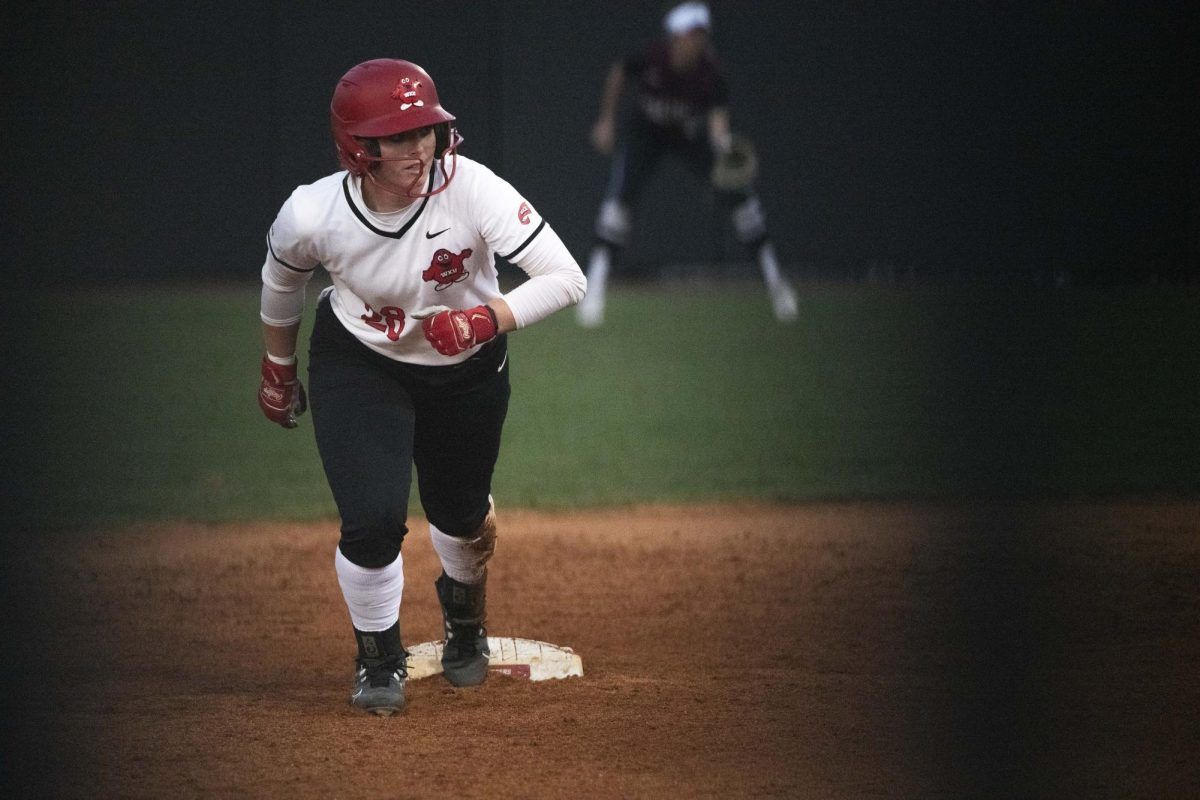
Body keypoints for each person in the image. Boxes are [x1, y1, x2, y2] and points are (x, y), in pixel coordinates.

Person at [256, 58, 586, 716]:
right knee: (374, 520)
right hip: (360, 362)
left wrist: (483, 317)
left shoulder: (473, 190)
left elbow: (566, 276)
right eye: (398, 137)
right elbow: (282, 280)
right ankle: (377, 659)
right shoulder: (312, 212)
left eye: (426, 132)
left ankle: (465, 619)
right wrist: (278, 366)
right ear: (358, 147)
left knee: (461, 519)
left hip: (467, 372)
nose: (419, 148)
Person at [577, 1, 798, 327]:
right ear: (675, 37)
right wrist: (607, 120)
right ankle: (593, 289)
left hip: (689, 135)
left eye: (701, 35)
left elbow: (718, 124)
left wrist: (724, 149)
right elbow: (619, 71)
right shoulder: (653, 57)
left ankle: (778, 286)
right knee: (617, 207)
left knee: (744, 203)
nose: (697, 41)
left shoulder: (709, 72)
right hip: (647, 133)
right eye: (691, 34)